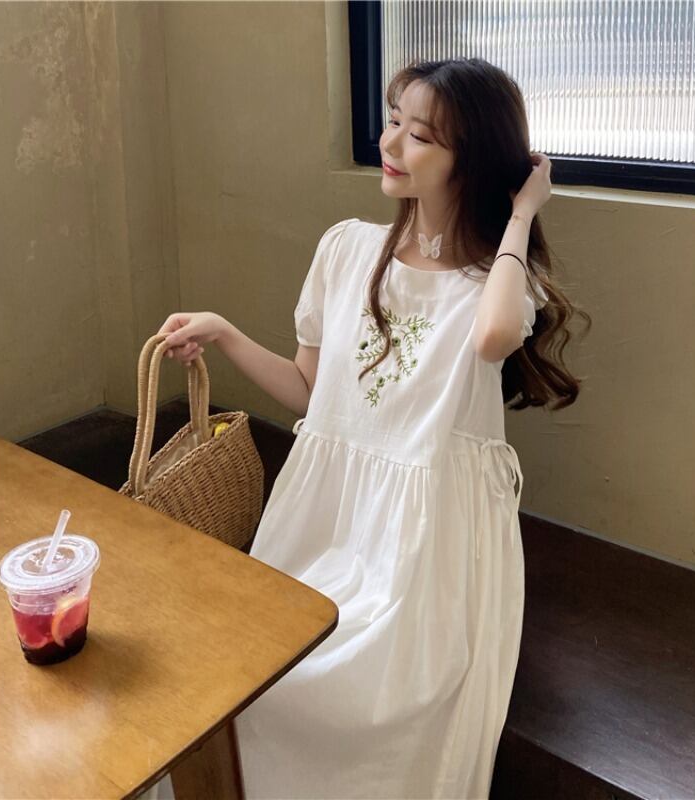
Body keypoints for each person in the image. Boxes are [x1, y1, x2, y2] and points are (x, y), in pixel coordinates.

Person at [146, 57, 588, 800]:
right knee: (247, 672)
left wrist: (522, 213)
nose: (390, 143)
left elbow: (493, 338)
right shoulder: (346, 248)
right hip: (323, 518)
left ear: (472, 160)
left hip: (421, 545)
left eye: (420, 135)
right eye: (393, 121)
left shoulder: (497, 282)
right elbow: (310, 392)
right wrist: (224, 333)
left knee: (361, 695)